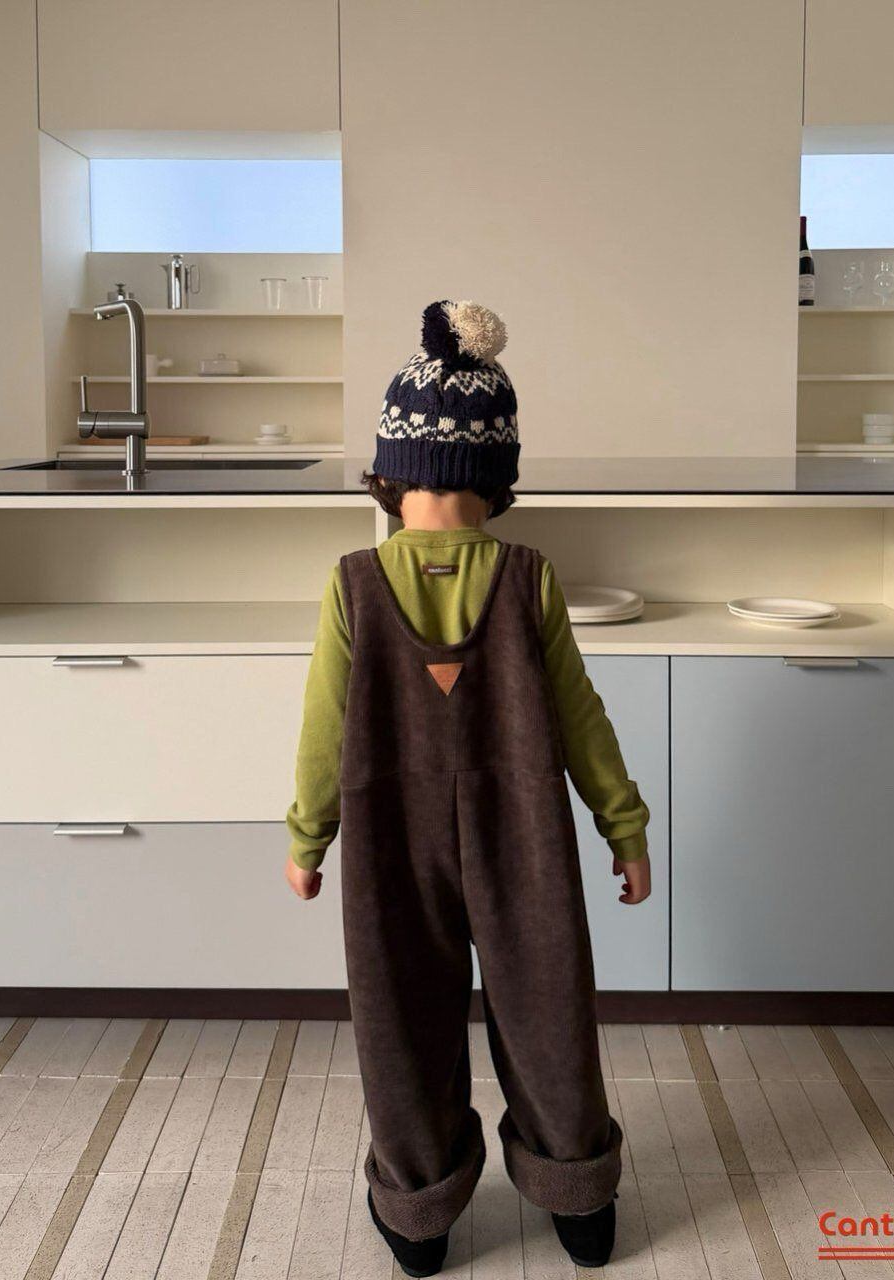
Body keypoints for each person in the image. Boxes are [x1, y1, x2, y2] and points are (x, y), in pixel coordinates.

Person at [284, 300, 651, 1275]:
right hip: (522, 834)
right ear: (496, 475)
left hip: (388, 845)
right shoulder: (530, 579)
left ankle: (419, 1217)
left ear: (390, 472)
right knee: (547, 1009)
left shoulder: (351, 584)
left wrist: (307, 839)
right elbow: (582, 719)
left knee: (400, 1018)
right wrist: (623, 828)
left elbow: (323, 732)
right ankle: (579, 1200)